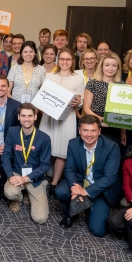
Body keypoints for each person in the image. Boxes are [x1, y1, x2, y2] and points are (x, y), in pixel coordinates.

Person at [54, 115, 120, 235]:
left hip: (100, 188)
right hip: (80, 181)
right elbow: (69, 170)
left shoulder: (111, 147)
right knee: (61, 191)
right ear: (79, 130)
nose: (89, 134)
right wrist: (75, 189)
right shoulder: (73, 144)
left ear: (99, 131)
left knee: (98, 231)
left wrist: (85, 192)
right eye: (85, 130)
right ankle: (73, 213)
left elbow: (109, 177)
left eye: (93, 130)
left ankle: (88, 206)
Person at [40, 49, 84, 187]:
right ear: (58, 60)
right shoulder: (49, 76)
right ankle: (41, 178)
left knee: (61, 151)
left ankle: (54, 183)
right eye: (62, 59)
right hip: (49, 118)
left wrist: (79, 103)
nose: (65, 62)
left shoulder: (78, 78)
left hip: (67, 119)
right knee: (44, 148)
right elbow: (43, 96)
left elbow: (81, 100)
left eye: (68, 59)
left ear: (72, 61)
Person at [1, 104, 51, 223]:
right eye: (23, 116)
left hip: (35, 178)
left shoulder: (44, 138)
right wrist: (10, 176)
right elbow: (6, 156)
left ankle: (29, 192)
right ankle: (18, 198)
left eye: (30, 116)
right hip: (16, 174)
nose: (26, 119)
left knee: (40, 219)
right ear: (18, 117)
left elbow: (45, 165)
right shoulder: (12, 132)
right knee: (10, 192)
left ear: (35, 117)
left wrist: (27, 178)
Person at [83, 52, 123, 122]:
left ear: (118, 67)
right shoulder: (92, 83)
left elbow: (125, 110)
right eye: (107, 65)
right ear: (101, 66)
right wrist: (99, 118)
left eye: (114, 65)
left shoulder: (122, 85)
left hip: (116, 121)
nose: (110, 69)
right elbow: (86, 108)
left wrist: (123, 132)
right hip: (95, 121)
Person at [7, 41, 45, 105]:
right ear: (21, 53)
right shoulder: (14, 68)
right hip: (16, 105)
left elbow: (43, 91)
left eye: (31, 51)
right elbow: (7, 89)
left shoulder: (41, 69)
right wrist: (12, 103)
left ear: (35, 53)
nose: (28, 54)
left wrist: (38, 106)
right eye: (25, 52)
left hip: (34, 107)